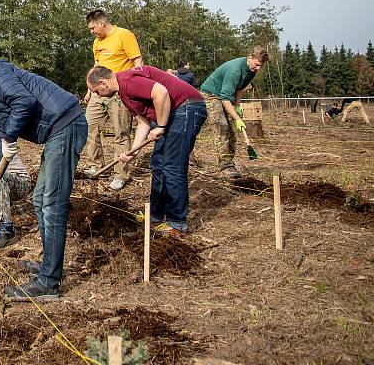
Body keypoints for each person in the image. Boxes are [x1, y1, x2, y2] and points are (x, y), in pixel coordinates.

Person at [0, 59, 87, 302]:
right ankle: (50, 267)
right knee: (41, 200)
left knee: (51, 204)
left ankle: (48, 283)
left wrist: (11, 137)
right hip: (56, 131)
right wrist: (0, 153)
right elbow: (2, 129)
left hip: (65, 124)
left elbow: (24, 100)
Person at [87, 65, 207, 235]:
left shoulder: (128, 81)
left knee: (173, 166)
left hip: (187, 107)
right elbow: (143, 122)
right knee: (158, 164)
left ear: (103, 83)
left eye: (96, 91)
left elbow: (161, 93)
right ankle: (156, 214)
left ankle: (177, 223)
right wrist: (133, 152)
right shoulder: (124, 93)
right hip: (173, 112)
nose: (97, 95)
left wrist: (160, 126)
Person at [82, 9, 143, 189]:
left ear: (102, 23)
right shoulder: (97, 42)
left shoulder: (124, 35)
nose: (91, 31)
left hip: (119, 92)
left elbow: (138, 62)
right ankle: (95, 165)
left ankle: (120, 174)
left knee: (121, 133)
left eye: (93, 27)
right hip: (98, 93)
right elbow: (96, 67)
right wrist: (89, 91)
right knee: (89, 127)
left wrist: (136, 87)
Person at [200, 46, 267, 178]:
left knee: (231, 131)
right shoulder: (235, 70)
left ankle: (229, 163)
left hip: (224, 97)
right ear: (250, 57)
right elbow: (225, 98)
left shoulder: (251, 70)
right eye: (257, 64)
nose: (258, 68)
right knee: (222, 127)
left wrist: (237, 107)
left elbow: (240, 89)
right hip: (211, 95)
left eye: (261, 66)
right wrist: (237, 118)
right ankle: (225, 167)